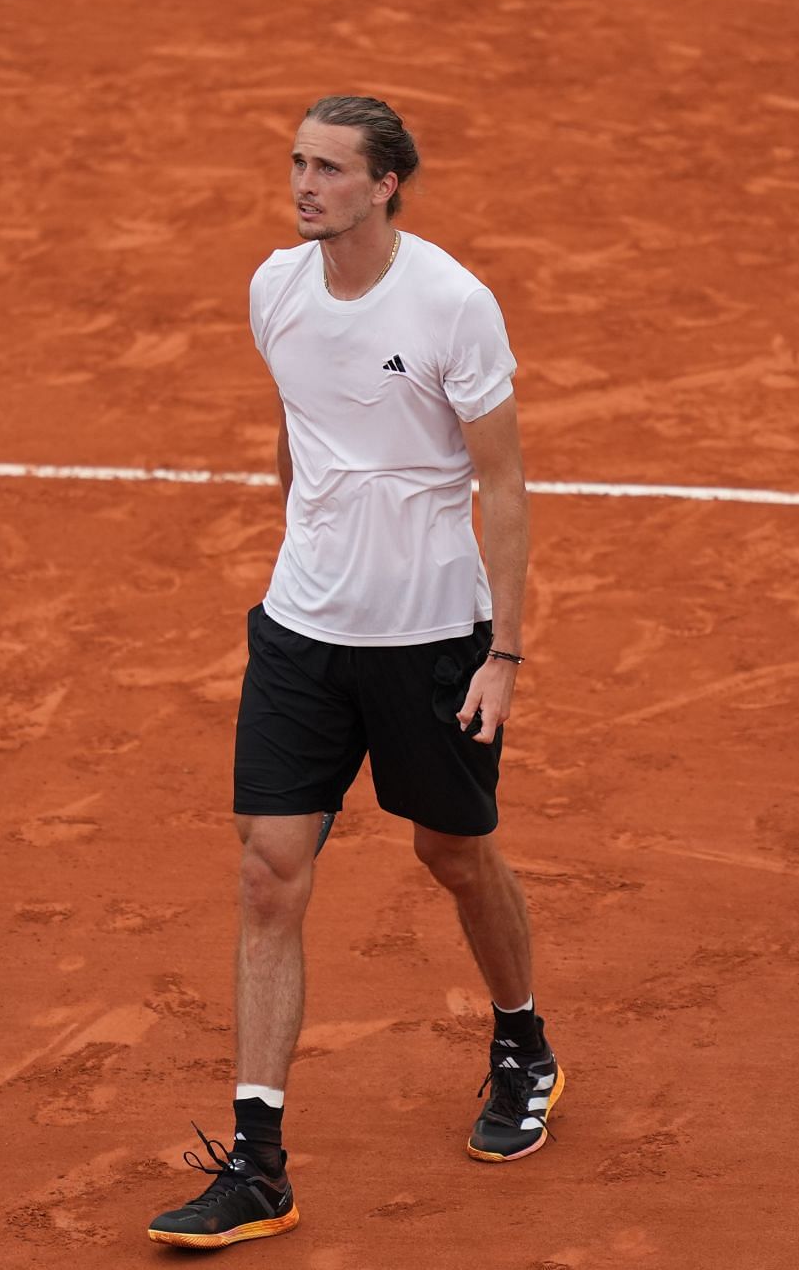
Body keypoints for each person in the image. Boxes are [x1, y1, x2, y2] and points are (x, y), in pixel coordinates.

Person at [147, 95, 562, 1250]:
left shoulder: (449, 304)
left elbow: (507, 485)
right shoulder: (276, 289)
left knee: (455, 853)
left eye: (329, 168)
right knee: (269, 873)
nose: (304, 185)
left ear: (387, 184)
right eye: (297, 163)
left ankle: (523, 1038)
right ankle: (259, 1158)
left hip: (432, 637)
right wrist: (306, 556)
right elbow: (297, 424)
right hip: (302, 635)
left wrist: (506, 652)